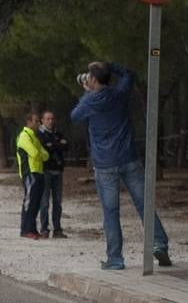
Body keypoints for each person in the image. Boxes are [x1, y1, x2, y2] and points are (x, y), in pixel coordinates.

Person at [70, 60, 171, 270]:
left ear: (93, 80)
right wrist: (109, 65)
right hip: (128, 158)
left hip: (105, 164)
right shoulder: (119, 94)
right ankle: (159, 243)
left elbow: (74, 116)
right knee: (144, 204)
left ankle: (115, 259)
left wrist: (87, 93)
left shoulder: (90, 101)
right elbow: (129, 74)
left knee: (111, 212)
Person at [16, 113, 49, 240]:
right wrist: (39, 154)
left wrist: (40, 154)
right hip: (29, 172)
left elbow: (45, 154)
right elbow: (35, 153)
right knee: (29, 202)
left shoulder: (34, 137)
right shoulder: (24, 136)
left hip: (38, 172)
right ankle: (25, 230)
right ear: (28, 122)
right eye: (36, 121)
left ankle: (32, 229)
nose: (38, 124)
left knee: (36, 203)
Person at [36, 110, 68, 238]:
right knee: (44, 202)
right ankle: (44, 229)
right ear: (42, 120)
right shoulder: (39, 134)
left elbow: (67, 146)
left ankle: (58, 229)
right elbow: (44, 147)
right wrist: (58, 144)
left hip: (58, 171)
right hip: (45, 171)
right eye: (47, 119)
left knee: (57, 202)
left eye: (52, 118)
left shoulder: (58, 133)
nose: (50, 121)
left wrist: (53, 145)